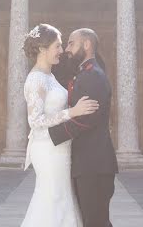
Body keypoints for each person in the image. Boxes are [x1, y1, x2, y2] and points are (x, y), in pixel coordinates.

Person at [21, 23, 99, 227]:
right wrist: (72, 112)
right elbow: (35, 121)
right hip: (47, 149)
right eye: (57, 46)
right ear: (42, 49)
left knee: (62, 198)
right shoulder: (36, 79)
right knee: (51, 198)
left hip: (60, 148)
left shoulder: (50, 76)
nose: (62, 51)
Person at [48, 29, 118, 227]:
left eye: (71, 43)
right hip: (88, 163)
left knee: (95, 222)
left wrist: (51, 135)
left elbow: (86, 119)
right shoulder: (85, 74)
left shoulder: (93, 75)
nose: (67, 49)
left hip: (94, 164)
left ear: (86, 44)